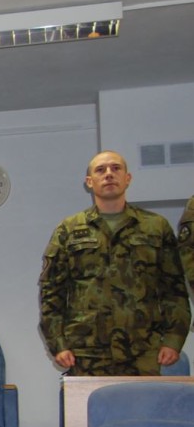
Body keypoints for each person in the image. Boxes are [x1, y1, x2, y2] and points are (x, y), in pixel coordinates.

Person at [39, 151, 189, 375]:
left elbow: (174, 289)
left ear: (127, 178)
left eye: (116, 168)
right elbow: (51, 292)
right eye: (100, 170)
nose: (109, 174)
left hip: (143, 349)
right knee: (89, 401)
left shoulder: (155, 227)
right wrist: (58, 344)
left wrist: (173, 339)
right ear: (90, 182)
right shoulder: (69, 230)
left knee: (143, 401)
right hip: (86, 351)